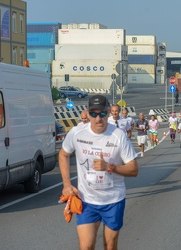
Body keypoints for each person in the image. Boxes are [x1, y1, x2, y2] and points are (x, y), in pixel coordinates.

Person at [58, 95, 138, 249]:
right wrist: (67, 184)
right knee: (86, 246)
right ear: (88, 114)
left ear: (108, 113)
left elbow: (134, 169)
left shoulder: (119, 136)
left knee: (109, 246)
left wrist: (110, 167)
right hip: (87, 201)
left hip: (113, 201)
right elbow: (63, 154)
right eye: (93, 114)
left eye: (102, 114)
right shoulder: (77, 133)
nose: (98, 118)